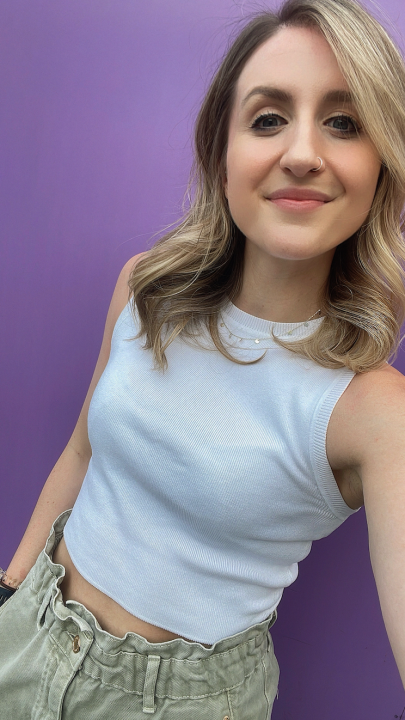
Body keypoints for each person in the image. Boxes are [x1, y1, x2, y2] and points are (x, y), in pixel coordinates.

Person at [1, 0, 405, 716]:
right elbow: (82, 452)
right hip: (27, 633)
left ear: (382, 167)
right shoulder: (144, 287)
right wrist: (9, 587)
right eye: (268, 118)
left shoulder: (374, 412)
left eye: (344, 123)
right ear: (222, 156)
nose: (302, 153)